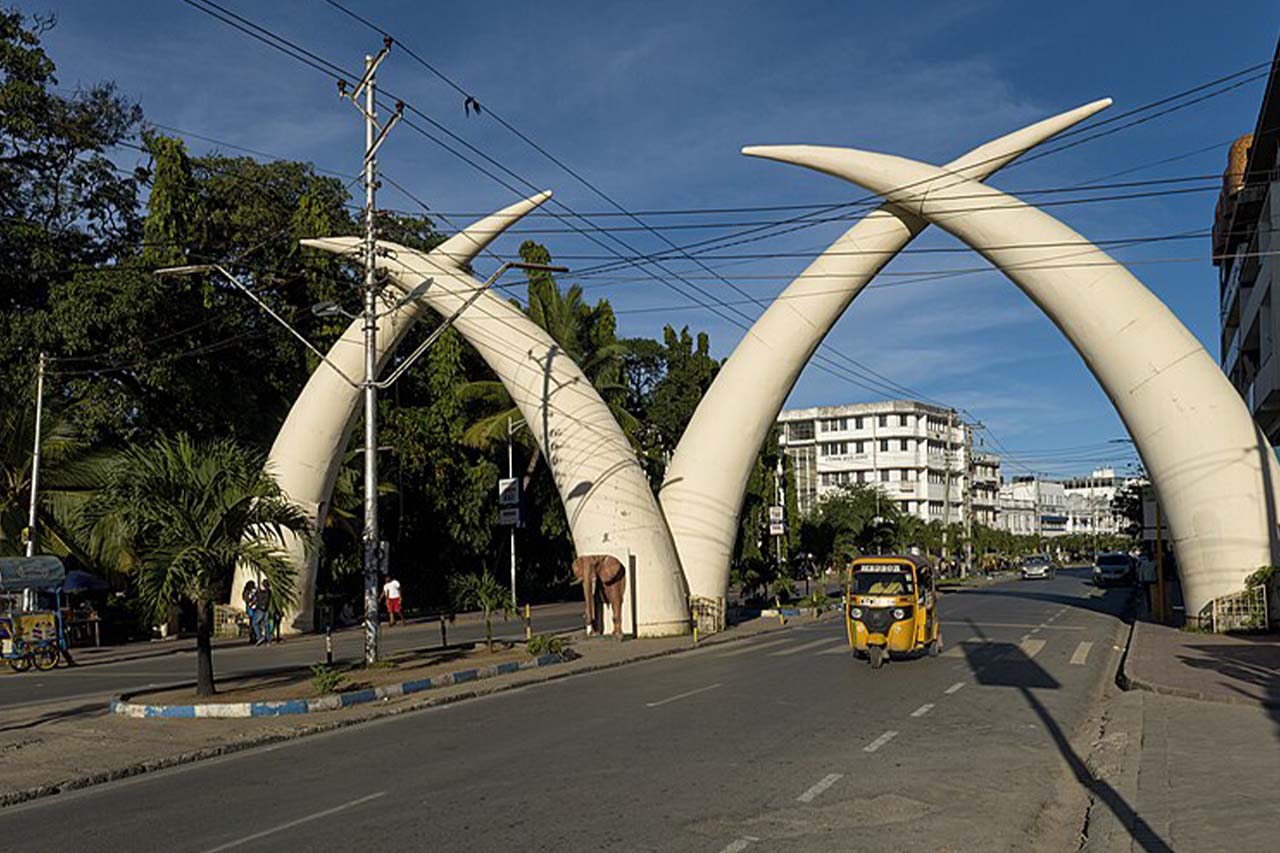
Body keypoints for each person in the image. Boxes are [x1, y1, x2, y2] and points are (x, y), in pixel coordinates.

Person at [253, 579, 271, 645]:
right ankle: (268, 640)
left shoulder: (262, 592)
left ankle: (260, 637)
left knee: (255, 623)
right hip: (266, 609)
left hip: (260, 609)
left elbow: (258, 597)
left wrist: (257, 593)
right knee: (266, 625)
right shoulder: (268, 592)